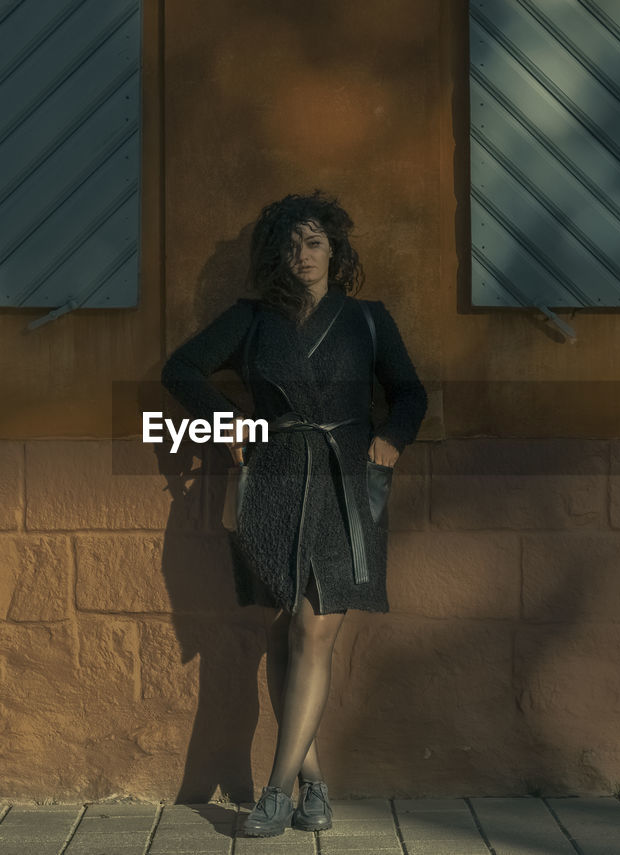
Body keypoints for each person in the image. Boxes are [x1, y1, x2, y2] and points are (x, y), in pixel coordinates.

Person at [161, 191, 427, 837]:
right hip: (274, 478)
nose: (302, 255)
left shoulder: (369, 320)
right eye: (291, 244)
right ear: (277, 255)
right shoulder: (252, 319)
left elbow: (410, 391)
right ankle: (314, 786)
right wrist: (225, 419)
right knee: (282, 633)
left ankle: (275, 792)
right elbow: (181, 368)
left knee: (314, 633)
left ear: (335, 249)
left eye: (313, 242)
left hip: (343, 481)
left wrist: (393, 435)